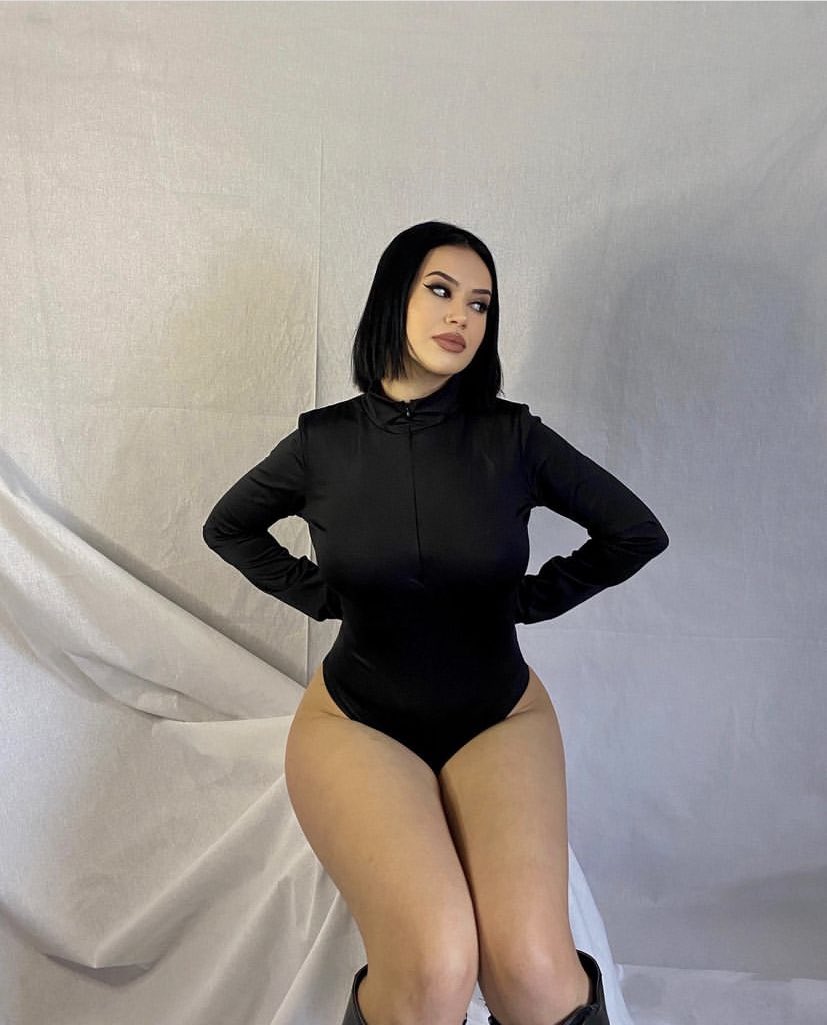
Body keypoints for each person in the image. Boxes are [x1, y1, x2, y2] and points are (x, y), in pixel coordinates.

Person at [202, 221, 669, 1025]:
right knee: (434, 963)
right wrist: (322, 595)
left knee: (533, 972)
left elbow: (633, 531)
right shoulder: (323, 445)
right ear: (395, 297)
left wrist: (526, 599)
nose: (462, 315)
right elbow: (228, 526)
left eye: (480, 303)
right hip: (358, 719)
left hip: (498, 714)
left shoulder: (513, 438)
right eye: (441, 290)